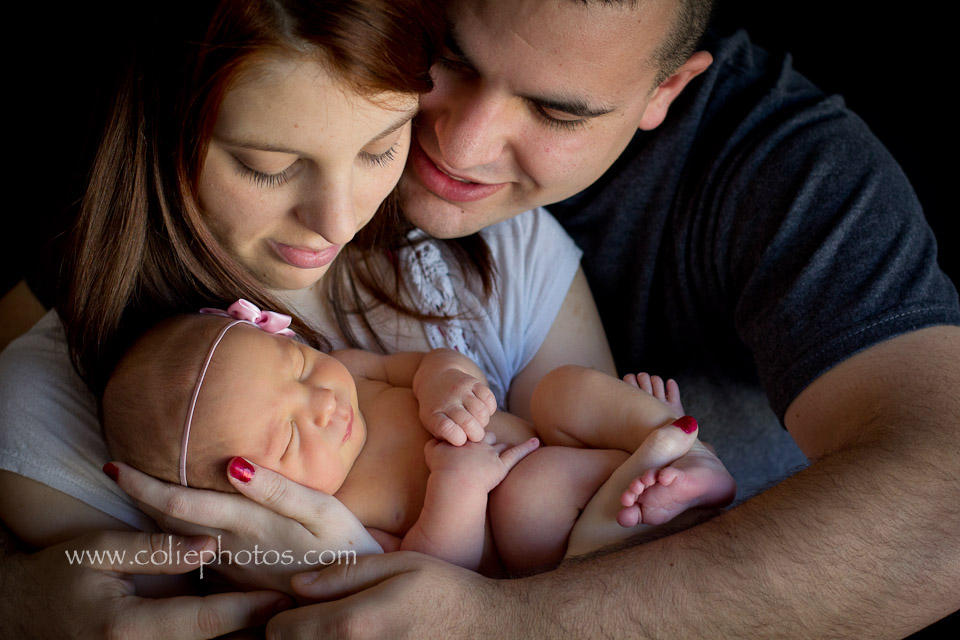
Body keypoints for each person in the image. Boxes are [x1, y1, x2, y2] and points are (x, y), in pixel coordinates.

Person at [236, 0, 957, 637]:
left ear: (665, 90)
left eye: (558, 113)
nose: (462, 145)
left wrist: (503, 626)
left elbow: (946, 508)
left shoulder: (784, 169)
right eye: (447, 57)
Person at [0, 0, 643, 636]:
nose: (337, 222)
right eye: (268, 167)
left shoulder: (500, 248)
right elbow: (126, 592)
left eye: (380, 148)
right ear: (154, 126)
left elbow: (616, 525)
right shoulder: (46, 409)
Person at [101, 303, 732, 579]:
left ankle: (667, 442)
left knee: (559, 389)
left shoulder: (349, 368)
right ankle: (654, 494)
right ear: (256, 494)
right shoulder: (336, 521)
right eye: (290, 435)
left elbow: (427, 363)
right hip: (540, 531)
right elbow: (438, 571)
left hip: (547, 436)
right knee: (526, 498)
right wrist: (458, 488)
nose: (322, 401)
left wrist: (446, 386)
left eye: (295, 366)